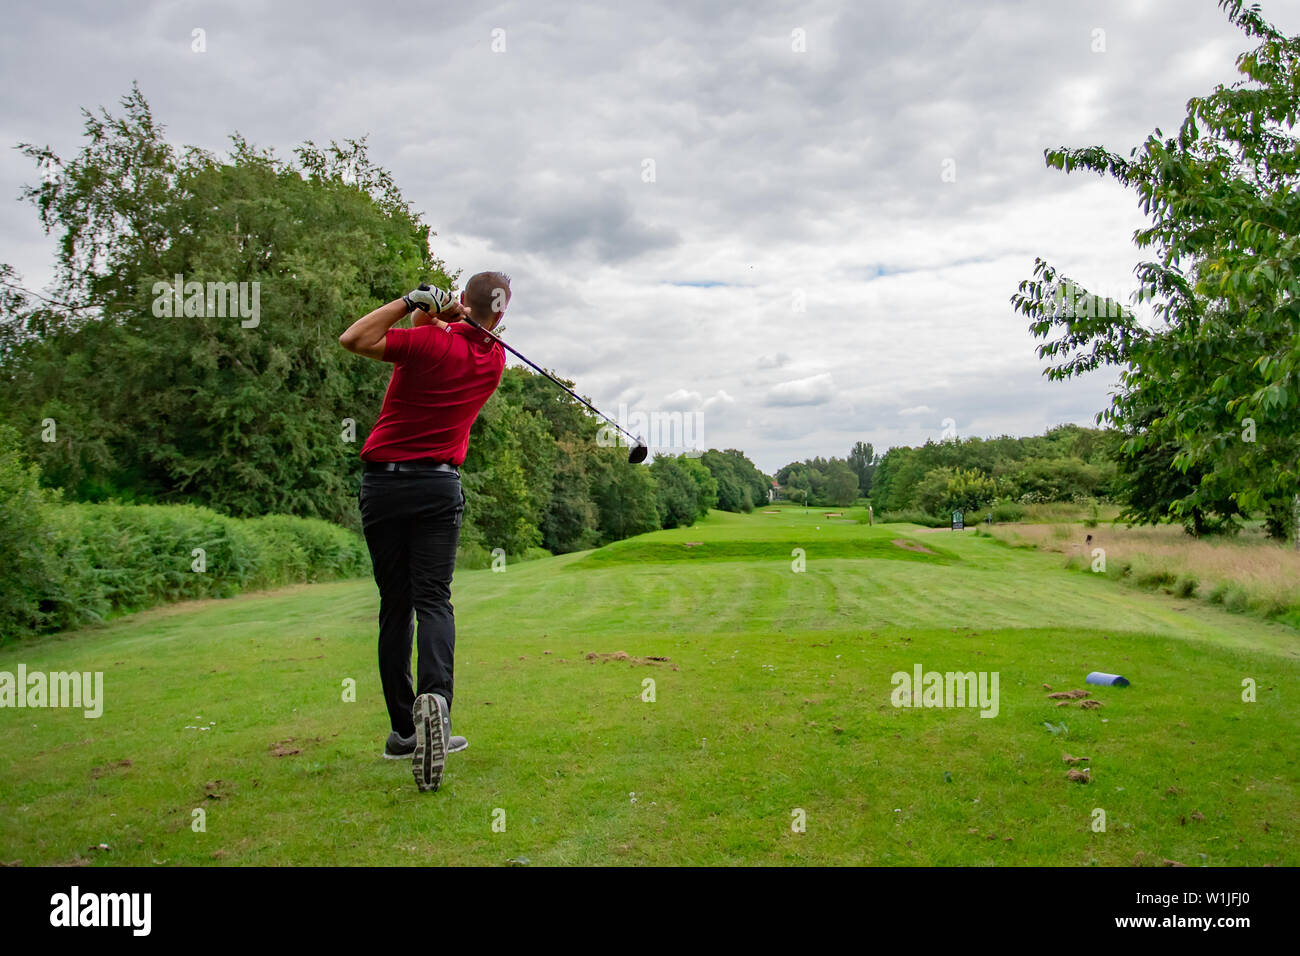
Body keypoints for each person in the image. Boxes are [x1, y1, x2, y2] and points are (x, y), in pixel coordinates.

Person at [338, 272, 510, 792]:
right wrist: (455, 318)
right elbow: (442, 334)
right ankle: (437, 705)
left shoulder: (430, 341)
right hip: (438, 487)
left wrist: (413, 301)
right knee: (434, 600)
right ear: (500, 316)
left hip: (385, 486)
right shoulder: (493, 360)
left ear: (463, 299)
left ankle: (401, 731)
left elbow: (355, 339)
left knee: (396, 605)